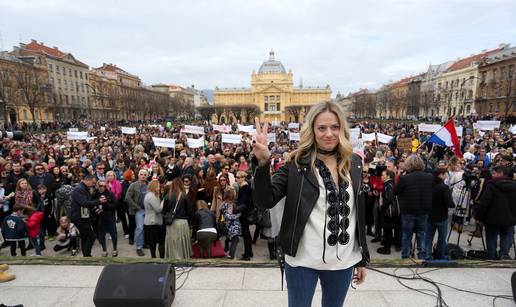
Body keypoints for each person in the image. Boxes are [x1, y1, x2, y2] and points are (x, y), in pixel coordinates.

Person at [252, 100, 368, 307]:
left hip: (343, 261)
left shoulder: (355, 163)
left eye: (334, 127)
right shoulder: (296, 164)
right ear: (312, 131)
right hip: (302, 261)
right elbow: (265, 200)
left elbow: (357, 214)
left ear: (342, 128)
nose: (329, 133)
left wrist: (361, 258)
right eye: (321, 128)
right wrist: (262, 165)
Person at [394, 154, 433, 259]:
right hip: (424, 211)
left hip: (408, 211)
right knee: (422, 234)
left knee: (407, 235)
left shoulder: (404, 178)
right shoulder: (429, 177)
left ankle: (406, 256)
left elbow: (396, 192)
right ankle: (422, 256)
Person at [475, 166, 516, 260]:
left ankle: (491, 256)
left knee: (491, 237)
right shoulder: (514, 185)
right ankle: (503, 254)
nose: (492, 175)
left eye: (494, 173)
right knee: (507, 235)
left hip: (492, 218)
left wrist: (479, 216)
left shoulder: (492, 185)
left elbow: (484, 202)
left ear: (500, 173)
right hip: (509, 218)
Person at [70, 175, 107, 257]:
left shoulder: (84, 189)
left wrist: (95, 209)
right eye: (93, 183)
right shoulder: (79, 189)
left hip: (84, 217)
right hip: (79, 218)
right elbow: (84, 203)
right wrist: (99, 201)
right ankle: (87, 255)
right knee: (91, 236)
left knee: (85, 237)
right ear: (88, 180)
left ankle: (86, 255)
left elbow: (88, 202)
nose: (93, 185)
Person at [426, 168, 455, 260]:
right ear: (441, 175)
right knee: (442, 238)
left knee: (428, 237)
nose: (446, 176)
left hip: (429, 215)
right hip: (441, 217)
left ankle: (427, 255)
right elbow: (450, 203)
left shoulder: (429, 185)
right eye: (445, 174)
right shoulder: (444, 187)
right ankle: (440, 255)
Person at [163, 178, 193, 259]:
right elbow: (189, 211)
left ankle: (173, 259)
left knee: (172, 243)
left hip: (171, 223)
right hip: (182, 223)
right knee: (182, 242)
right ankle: (183, 259)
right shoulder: (184, 196)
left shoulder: (167, 196)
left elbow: (164, 212)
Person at [125, 168, 148, 256]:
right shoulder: (133, 185)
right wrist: (136, 207)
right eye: (141, 174)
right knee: (140, 228)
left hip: (148, 210)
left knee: (146, 228)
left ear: (147, 176)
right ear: (138, 175)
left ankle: (144, 243)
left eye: (145, 175)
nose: (143, 176)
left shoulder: (149, 185)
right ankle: (138, 247)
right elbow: (127, 197)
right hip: (139, 210)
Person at [377, 170, 399, 255]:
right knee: (387, 230)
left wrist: (383, 207)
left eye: (383, 175)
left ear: (388, 176)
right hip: (388, 211)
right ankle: (386, 246)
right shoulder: (389, 184)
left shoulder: (388, 185)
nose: (381, 177)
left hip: (387, 212)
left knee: (387, 230)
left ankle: (387, 249)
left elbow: (389, 198)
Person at [94, 179, 118, 257]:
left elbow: (115, 205)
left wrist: (106, 203)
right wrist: (96, 209)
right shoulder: (94, 194)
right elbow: (91, 204)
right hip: (99, 218)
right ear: (98, 186)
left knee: (113, 233)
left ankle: (115, 249)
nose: (102, 187)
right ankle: (104, 250)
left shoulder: (110, 193)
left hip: (110, 216)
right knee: (101, 234)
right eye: (101, 186)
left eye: (104, 186)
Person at [235, 170, 253, 260]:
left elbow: (244, 203)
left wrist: (235, 210)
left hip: (245, 214)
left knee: (245, 234)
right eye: (236, 177)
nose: (237, 179)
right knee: (247, 234)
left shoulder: (245, 188)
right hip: (244, 213)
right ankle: (249, 252)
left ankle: (247, 255)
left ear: (243, 178)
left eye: (238, 177)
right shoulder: (244, 187)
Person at [143, 180, 164, 258]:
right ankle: (160, 259)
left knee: (153, 243)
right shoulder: (151, 196)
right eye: (158, 187)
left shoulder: (149, 195)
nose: (159, 188)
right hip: (153, 222)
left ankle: (154, 258)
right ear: (154, 187)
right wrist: (163, 201)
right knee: (160, 242)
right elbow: (158, 209)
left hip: (150, 222)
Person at [220, 189, 241, 259]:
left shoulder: (223, 204)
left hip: (228, 225)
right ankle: (231, 255)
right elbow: (228, 215)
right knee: (235, 240)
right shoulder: (230, 204)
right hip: (233, 225)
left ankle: (228, 251)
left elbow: (223, 212)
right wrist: (238, 215)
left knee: (234, 239)